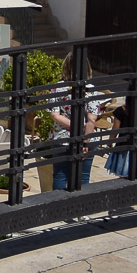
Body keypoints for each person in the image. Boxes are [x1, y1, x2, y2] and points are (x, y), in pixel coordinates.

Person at [48, 54, 103, 191]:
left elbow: (55, 115)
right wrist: (84, 141)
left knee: (60, 175)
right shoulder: (91, 89)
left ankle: (58, 208)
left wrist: (74, 126)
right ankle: (81, 209)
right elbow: (92, 119)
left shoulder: (57, 88)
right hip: (87, 138)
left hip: (61, 138)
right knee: (83, 177)